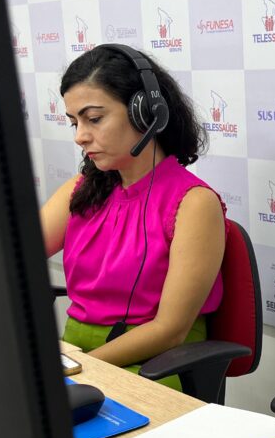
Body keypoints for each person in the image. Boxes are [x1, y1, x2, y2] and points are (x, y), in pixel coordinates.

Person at [41, 45, 226, 386]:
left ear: (146, 113)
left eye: (94, 119)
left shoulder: (195, 204)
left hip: (152, 366)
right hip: (78, 358)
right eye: (74, 122)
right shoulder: (81, 189)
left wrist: (77, 368)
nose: (80, 136)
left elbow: (169, 330)